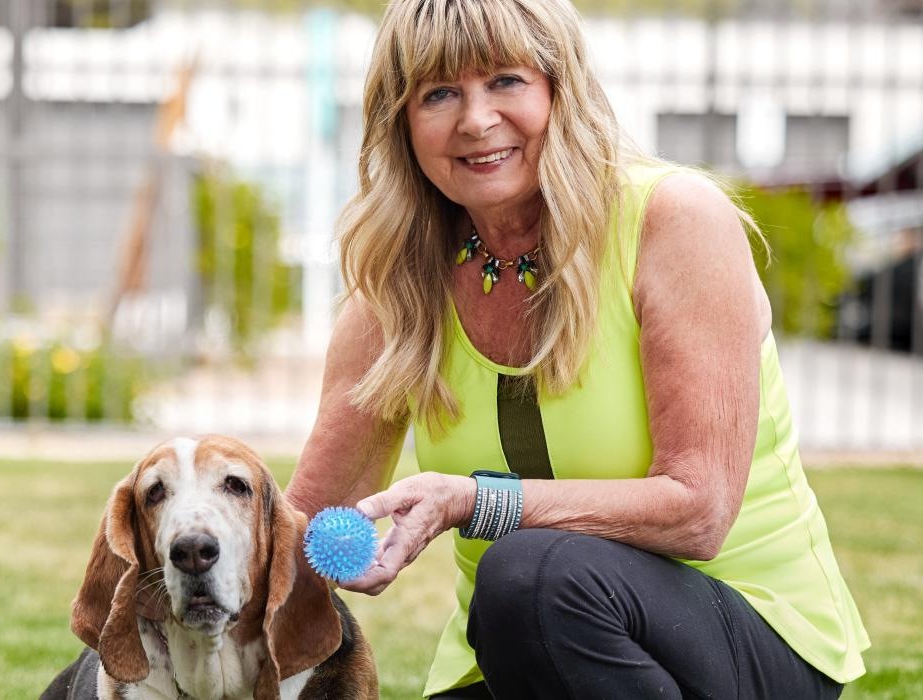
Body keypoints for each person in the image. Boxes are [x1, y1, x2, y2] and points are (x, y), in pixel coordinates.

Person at [281, 0, 870, 696]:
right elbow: (303, 536)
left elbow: (698, 510)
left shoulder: (675, 221)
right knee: (526, 584)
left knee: (529, 572)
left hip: (743, 635)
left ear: (561, 89)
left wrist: (473, 502)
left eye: (505, 81)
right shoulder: (397, 283)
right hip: (519, 648)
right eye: (439, 93)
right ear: (401, 124)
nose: (475, 119)